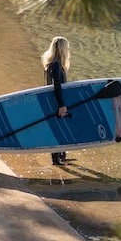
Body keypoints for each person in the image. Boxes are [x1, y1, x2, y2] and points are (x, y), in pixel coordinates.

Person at [41, 36, 70, 165]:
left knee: (59, 127)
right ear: (63, 49)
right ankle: (56, 161)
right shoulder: (57, 66)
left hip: (52, 100)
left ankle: (61, 157)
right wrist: (61, 105)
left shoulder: (50, 64)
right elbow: (56, 86)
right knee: (59, 128)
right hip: (56, 101)